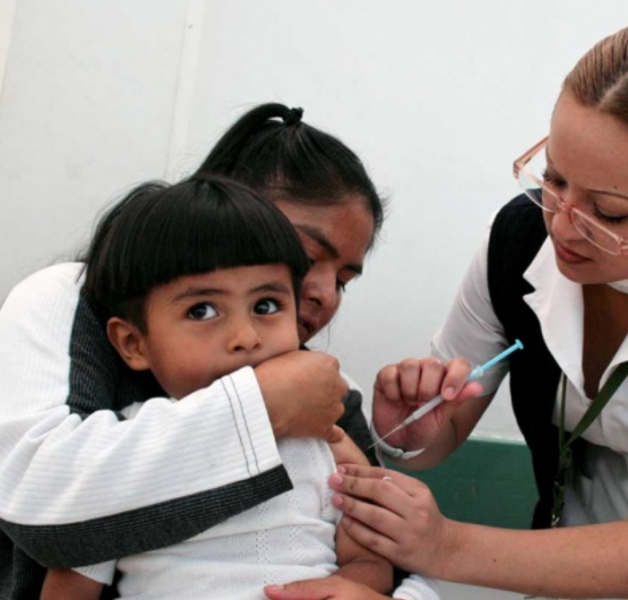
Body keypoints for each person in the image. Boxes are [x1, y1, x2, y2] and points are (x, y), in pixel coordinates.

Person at [326, 17, 628, 600]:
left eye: (610, 214)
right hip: (558, 556)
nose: (562, 224)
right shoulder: (519, 240)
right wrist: (413, 432)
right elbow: (437, 440)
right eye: (554, 177)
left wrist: (443, 545)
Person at [0, 104, 395, 599]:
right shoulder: (65, 300)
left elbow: (388, 546)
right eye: (306, 257)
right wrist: (266, 403)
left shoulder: (327, 397)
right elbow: (44, 507)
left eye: (343, 279)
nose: (323, 293)